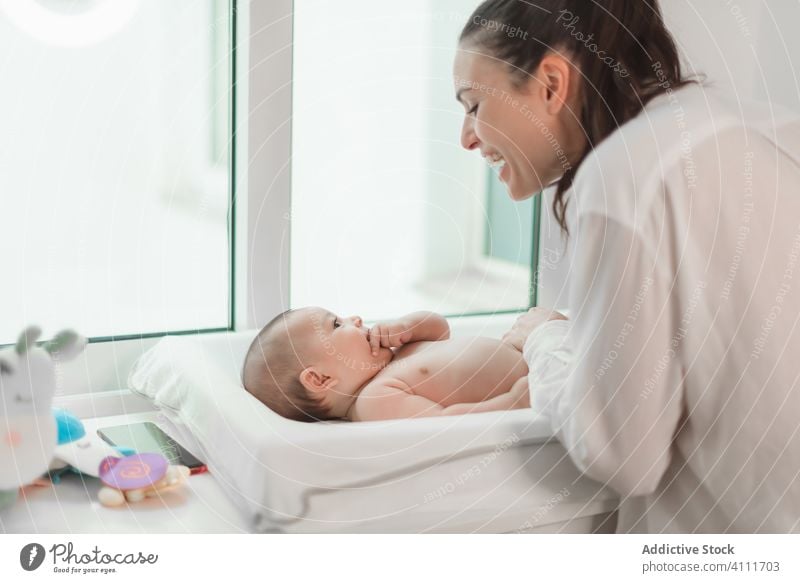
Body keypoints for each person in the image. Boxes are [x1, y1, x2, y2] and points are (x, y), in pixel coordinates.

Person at [455, 0, 800, 533]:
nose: (467, 137)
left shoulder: (624, 176)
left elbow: (620, 453)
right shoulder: (769, 133)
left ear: (549, 83)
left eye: (473, 104)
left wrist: (547, 341)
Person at [241, 307, 535, 422]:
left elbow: (440, 330)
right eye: (336, 324)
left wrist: (407, 326)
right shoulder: (374, 399)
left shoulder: (392, 355)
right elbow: (443, 421)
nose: (354, 318)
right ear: (320, 379)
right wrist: (513, 403)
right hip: (533, 383)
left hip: (527, 351)